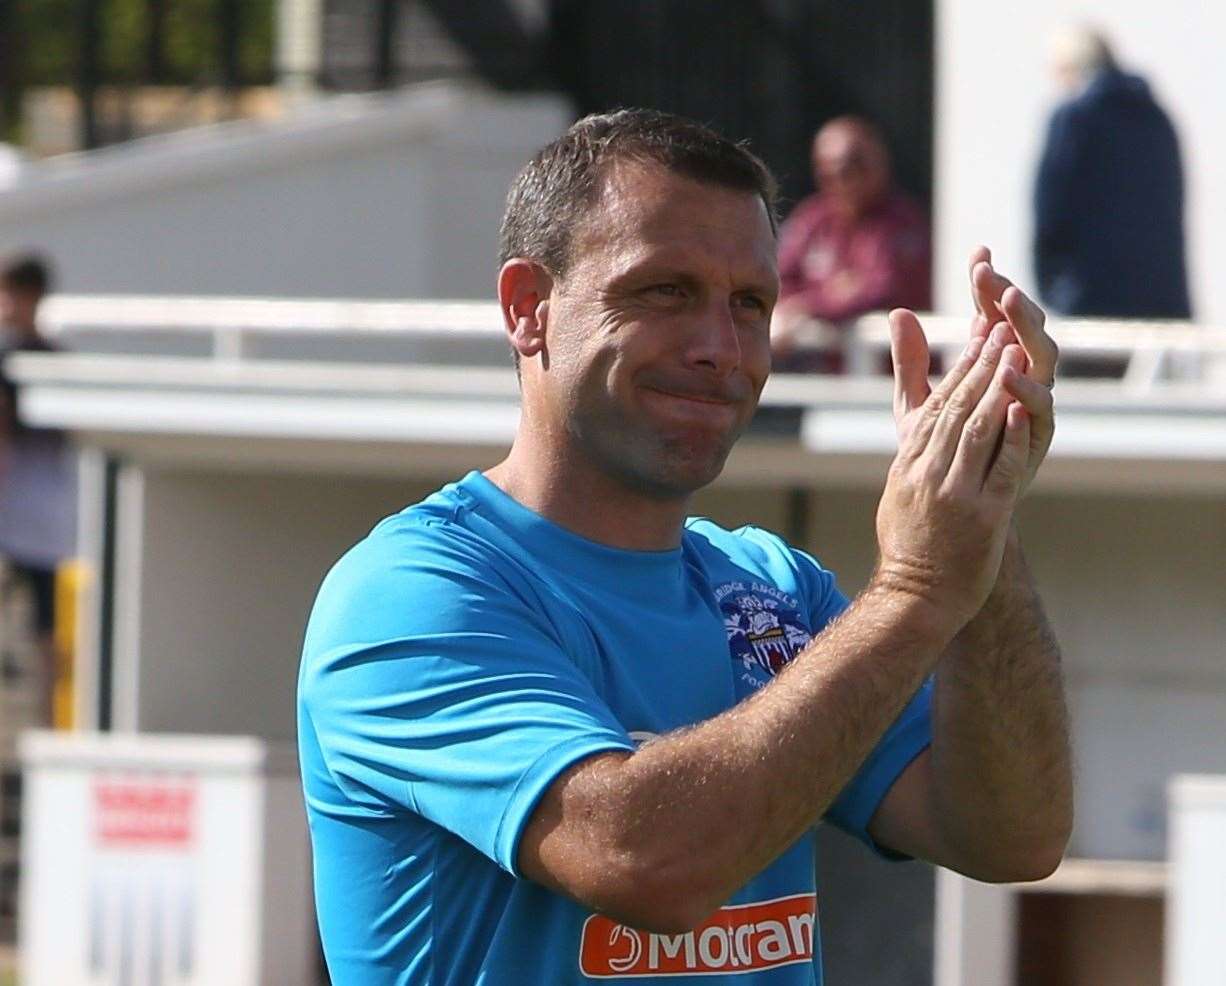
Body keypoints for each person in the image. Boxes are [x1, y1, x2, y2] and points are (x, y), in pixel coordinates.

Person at [299, 110, 1072, 985]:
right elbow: (645, 864)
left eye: (750, 304)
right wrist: (920, 589)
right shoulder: (414, 590)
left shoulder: (773, 588)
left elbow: (1011, 835)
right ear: (527, 309)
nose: (721, 348)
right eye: (664, 290)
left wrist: (982, 510)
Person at [1034, 27, 1190, 321]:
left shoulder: (1074, 119)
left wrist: (1057, 290)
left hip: (1092, 302)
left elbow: (1051, 211)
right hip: (1162, 304)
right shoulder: (1155, 118)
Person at [772, 116, 931, 372]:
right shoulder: (814, 219)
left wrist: (810, 305)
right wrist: (830, 293)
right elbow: (775, 278)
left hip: (895, 381)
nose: (841, 178)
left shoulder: (902, 222)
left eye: (853, 165)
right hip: (831, 381)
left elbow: (882, 290)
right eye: (829, 169)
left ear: (879, 163)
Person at [0, 254, 77, 719]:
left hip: (41, 531)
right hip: (13, 529)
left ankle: (47, 726)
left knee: (47, 637)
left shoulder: (49, 363)